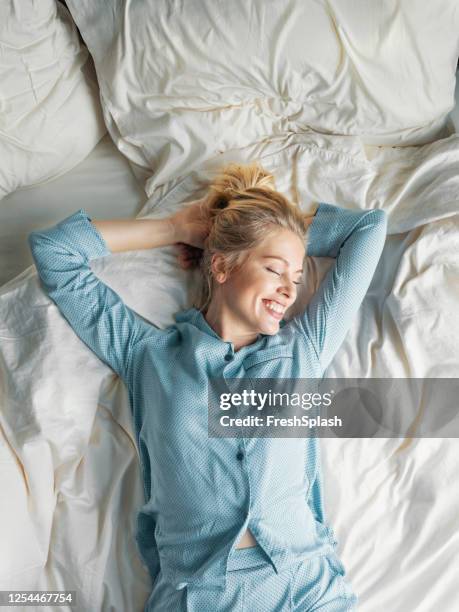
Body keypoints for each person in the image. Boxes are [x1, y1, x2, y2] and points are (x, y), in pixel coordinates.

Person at [28, 161, 387, 611]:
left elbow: (370, 229)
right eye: (275, 270)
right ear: (220, 266)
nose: (289, 290)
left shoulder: (304, 349)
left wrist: (273, 234)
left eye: (296, 278)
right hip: (195, 598)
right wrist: (178, 227)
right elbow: (55, 251)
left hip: (307, 591)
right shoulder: (147, 357)